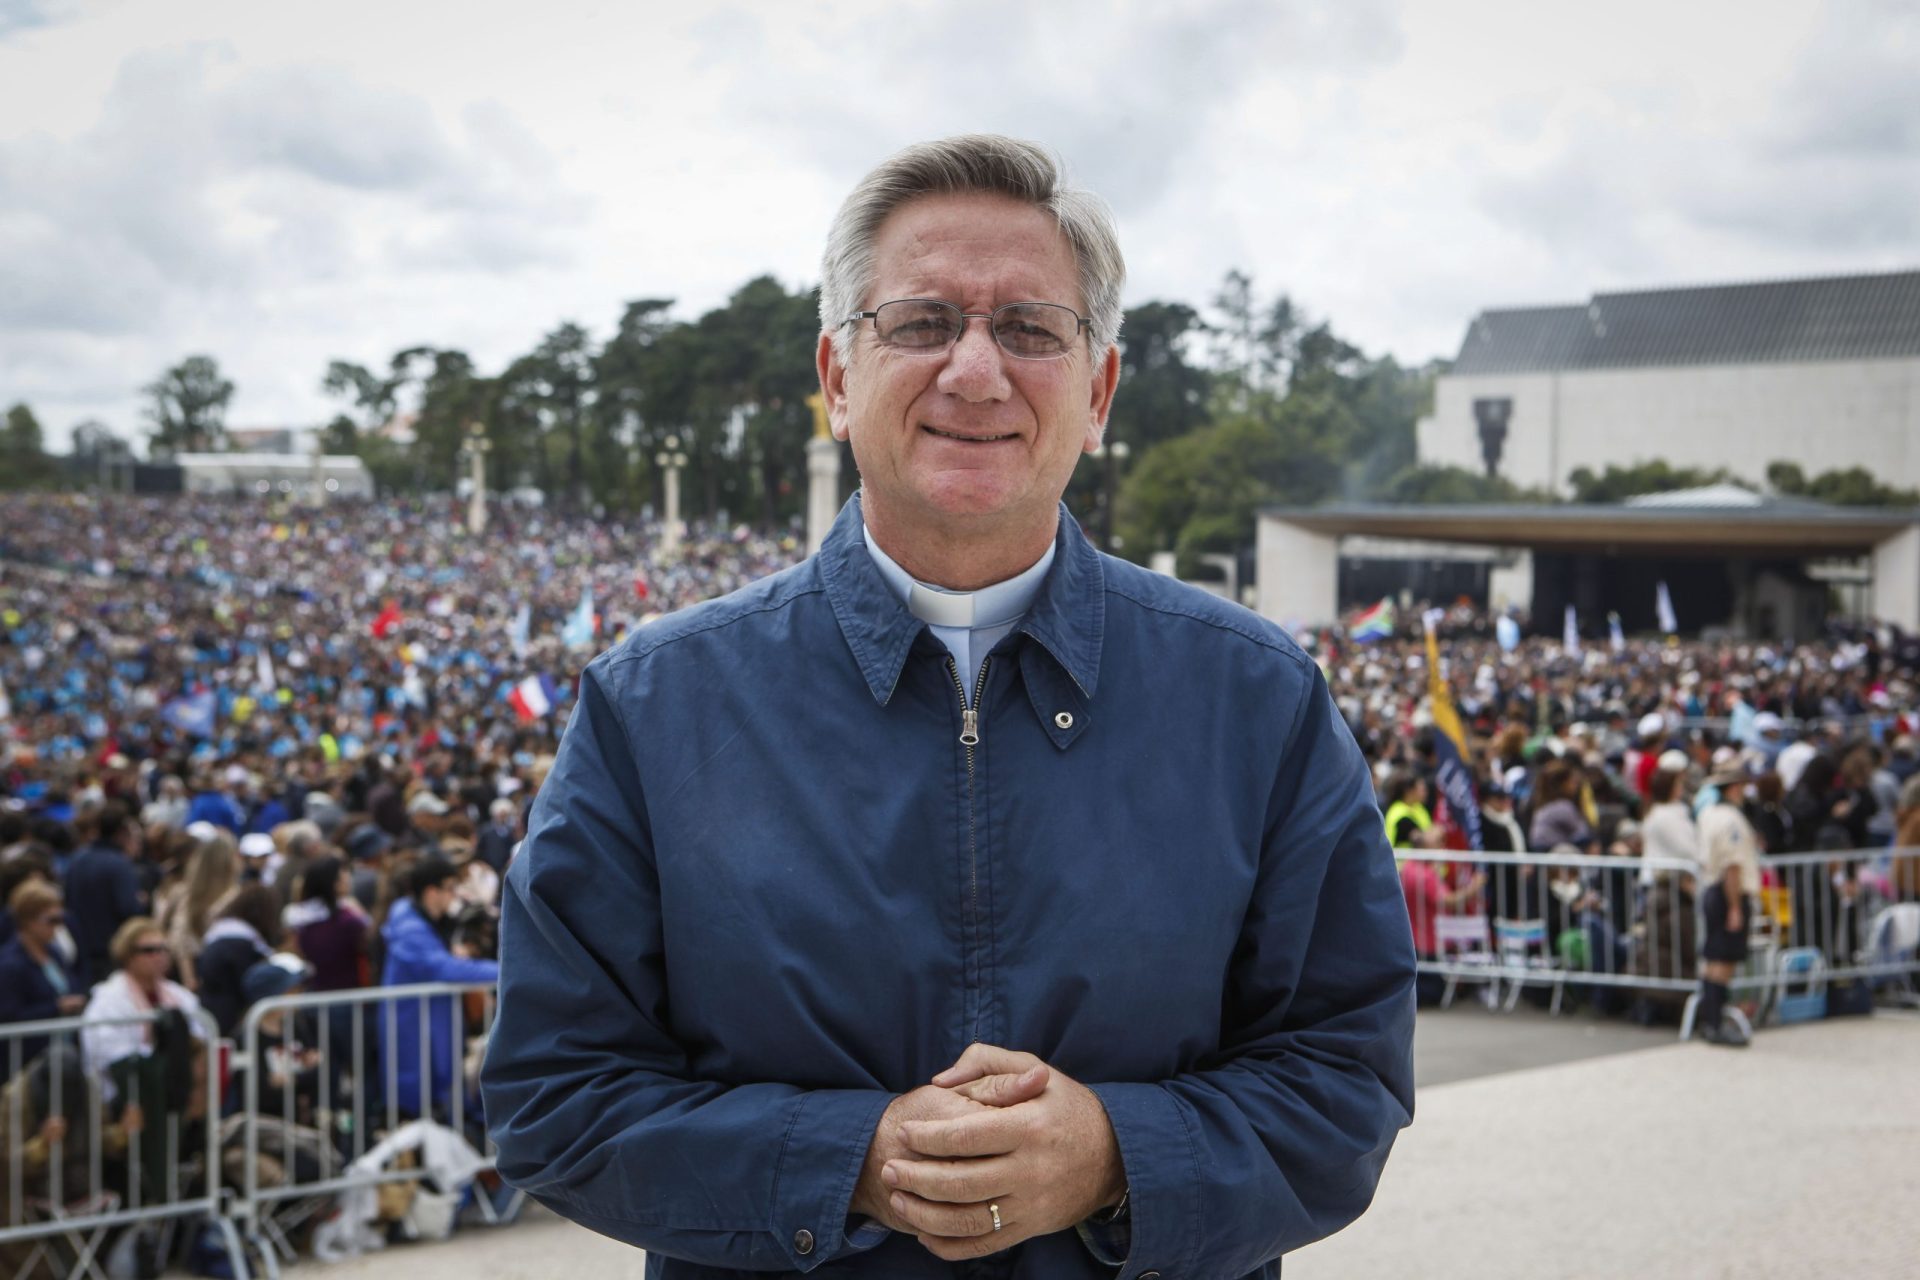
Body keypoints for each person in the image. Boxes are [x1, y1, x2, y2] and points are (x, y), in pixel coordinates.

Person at [483, 134, 1416, 1279]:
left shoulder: (1259, 696)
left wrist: (1119, 1154)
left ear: (1098, 391)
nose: (976, 370)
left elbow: (1347, 1076)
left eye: (1030, 328)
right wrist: (851, 1160)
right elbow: (553, 1089)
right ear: (836, 377)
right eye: (922, 322)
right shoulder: (654, 704)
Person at [380, 855, 498, 1120]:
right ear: (432, 892)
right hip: (415, 1028)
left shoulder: (416, 920)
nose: (454, 896)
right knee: (421, 1099)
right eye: (450, 889)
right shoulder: (410, 928)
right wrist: (506, 971)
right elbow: (444, 968)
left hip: (429, 1023)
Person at [1694, 763, 1762, 1046]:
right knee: (1724, 962)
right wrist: (1735, 906)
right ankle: (1715, 1023)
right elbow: (1732, 865)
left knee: (1713, 960)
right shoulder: (1731, 820)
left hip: (1712, 888)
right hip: (1728, 891)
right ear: (1733, 788)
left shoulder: (1708, 814)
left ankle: (1709, 1020)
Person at [0, 881, 89, 1079]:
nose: (58, 927)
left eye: (60, 919)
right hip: (28, 1066)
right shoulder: (10, 964)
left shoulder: (55, 953)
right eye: (51, 920)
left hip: (64, 1059)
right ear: (28, 921)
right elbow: (8, 1017)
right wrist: (56, 1007)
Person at [63, 800, 147, 985]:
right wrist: (141, 902)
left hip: (80, 950)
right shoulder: (119, 865)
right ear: (122, 833)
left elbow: (66, 901)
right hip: (110, 953)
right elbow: (129, 910)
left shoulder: (76, 860)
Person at [154, 826, 240, 990]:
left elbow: (180, 938)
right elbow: (180, 939)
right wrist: (190, 980)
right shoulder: (232, 896)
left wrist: (189, 979)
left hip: (201, 970)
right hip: (215, 971)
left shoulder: (187, 893)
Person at [196, 884, 280, 1036]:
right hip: (231, 1018)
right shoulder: (242, 945)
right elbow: (250, 985)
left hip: (212, 1011)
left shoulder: (219, 936)